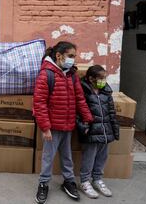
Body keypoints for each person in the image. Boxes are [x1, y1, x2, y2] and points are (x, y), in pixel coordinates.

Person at [34, 41, 93, 203]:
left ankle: (68, 181)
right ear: (59, 56)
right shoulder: (46, 74)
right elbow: (39, 103)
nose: (73, 60)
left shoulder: (71, 74)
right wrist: (45, 128)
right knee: (48, 157)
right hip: (51, 128)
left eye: (74, 56)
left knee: (67, 157)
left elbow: (80, 98)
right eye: (71, 56)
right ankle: (43, 183)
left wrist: (88, 118)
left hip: (68, 125)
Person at [77, 65, 119, 199]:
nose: (103, 80)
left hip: (106, 130)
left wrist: (114, 129)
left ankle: (97, 179)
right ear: (91, 78)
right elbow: (77, 112)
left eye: (105, 77)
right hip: (91, 131)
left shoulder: (106, 91)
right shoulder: (83, 91)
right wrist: (83, 127)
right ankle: (84, 181)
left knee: (102, 156)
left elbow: (112, 112)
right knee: (89, 157)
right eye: (101, 78)